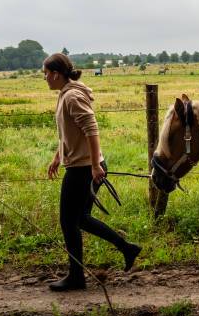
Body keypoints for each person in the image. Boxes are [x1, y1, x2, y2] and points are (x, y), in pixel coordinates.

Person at [44, 52, 141, 291]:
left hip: (84, 169)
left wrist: (96, 164)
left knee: (69, 222)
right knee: (81, 219)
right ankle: (127, 248)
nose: (44, 78)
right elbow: (70, 132)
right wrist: (58, 156)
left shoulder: (72, 97)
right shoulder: (64, 94)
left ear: (56, 74)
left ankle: (76, 277)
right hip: (81, 164)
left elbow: (91, 129)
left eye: (45, 73)